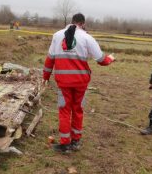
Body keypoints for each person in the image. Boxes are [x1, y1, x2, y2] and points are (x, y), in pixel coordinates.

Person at [42, 13, 115, 153]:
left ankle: (65, 144)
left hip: (63, 83)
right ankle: (76, 141)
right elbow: (102, 60)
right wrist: (111, 58)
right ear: (83, 23)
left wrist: (45, 77)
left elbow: (50, 59)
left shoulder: (57, 35)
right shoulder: (87, 38)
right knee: (77, 110)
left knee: (64, 111)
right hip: (81, 82)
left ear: (72, 21)